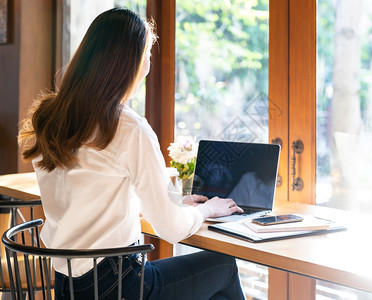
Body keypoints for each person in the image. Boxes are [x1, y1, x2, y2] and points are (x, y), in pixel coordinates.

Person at [18, 8, 245, 299]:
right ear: (133, 65)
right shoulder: (128, 127)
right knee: (223, 267)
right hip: (116, 286)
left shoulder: (49, 117)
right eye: (146, 57)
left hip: (66, 286)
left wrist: (178, 205)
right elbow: (172, 230)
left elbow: (90, 200)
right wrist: (205, 210)